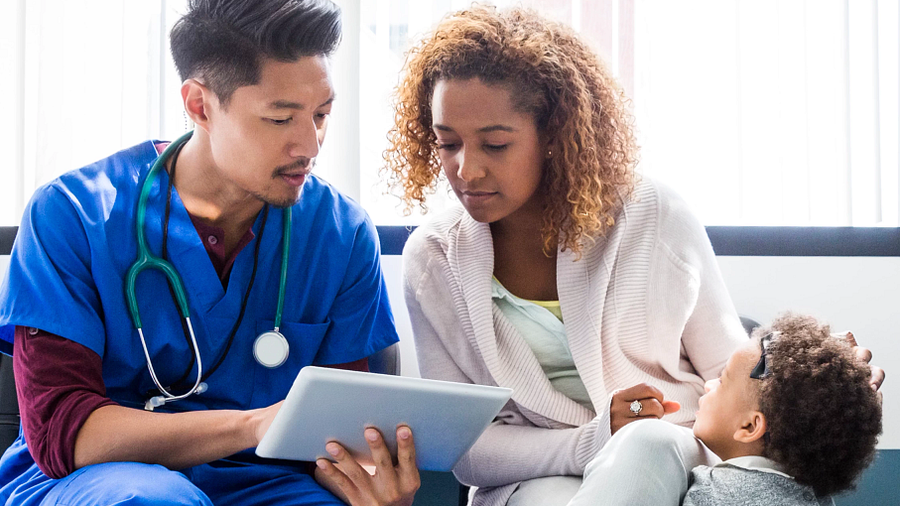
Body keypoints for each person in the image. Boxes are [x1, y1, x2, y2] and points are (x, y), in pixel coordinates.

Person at [384, 5, 884, 506]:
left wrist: (826, 389)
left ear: (554, 134)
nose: (465, 170)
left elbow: (732, 378)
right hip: (530, 482)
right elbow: (468, 449)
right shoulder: (433, 259)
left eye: (495, 144)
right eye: (447, 143)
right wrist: (596, 439)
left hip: (679, 456)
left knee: (649, 441)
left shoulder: (655, 217)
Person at [0, 1, 419, 505]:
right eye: (280, 118)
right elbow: (63, 434)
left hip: (264, 483)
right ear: (200, 105)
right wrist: (250, 425)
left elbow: (338, 427)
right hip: (101, 480)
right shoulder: (72, 214)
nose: (310, 143)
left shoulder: (341, 233)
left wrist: (371, 485)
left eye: (322, 115)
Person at [683, 314, 882, 505]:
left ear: (750, 426)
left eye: (721, 380)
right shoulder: (819, 500)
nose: (708, 385)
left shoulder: (712, 491)